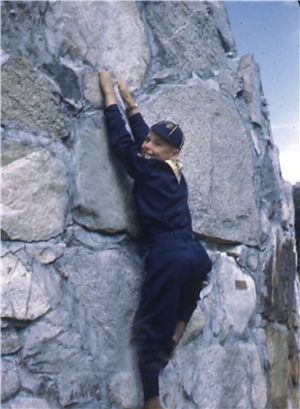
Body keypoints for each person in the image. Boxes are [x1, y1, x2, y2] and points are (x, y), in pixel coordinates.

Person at [99, 70, 212, 409]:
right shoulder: (175, 172)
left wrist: (109, 98)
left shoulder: (148, 168)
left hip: (169, 252)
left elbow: (122, 144)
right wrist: (132, 107)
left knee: (148, 327)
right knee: (185, 299)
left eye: (156, 144)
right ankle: (179, 328)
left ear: (172, 152)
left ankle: (151, 400)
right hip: (195, 254)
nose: (146, 146)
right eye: (147, 139)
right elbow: (147, 144)